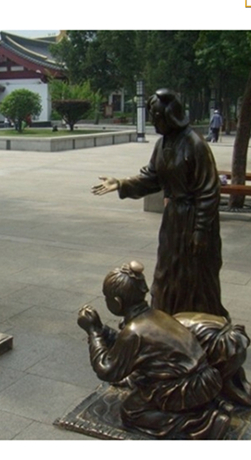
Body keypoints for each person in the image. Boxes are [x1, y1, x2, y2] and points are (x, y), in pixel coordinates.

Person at [77, 261, 251, 439]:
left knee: (132, 412)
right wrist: (102, 329)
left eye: (106, 298)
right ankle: (205, 407)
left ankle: (204, 422)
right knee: (140, 387)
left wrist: (93, 332)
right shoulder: (156, 315)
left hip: (183, 388)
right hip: (205, 379)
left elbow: (107, 370)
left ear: (117, 302)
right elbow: (126, 350)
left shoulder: (134, 330)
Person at [91, 88, 229, 318]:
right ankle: (167, 317)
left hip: (194, 219)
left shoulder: (195, 144)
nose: (153, 121)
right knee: (167, 271)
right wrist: (122, 183)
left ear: (170, 116)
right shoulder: (162, 144)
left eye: (156, 116)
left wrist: (201, 230)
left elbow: (209, 191)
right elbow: (151, 178)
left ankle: (201, 322)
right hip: (174, 218)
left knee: (196, 275)